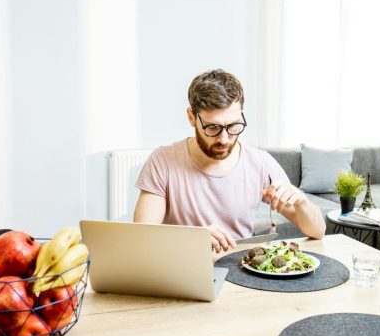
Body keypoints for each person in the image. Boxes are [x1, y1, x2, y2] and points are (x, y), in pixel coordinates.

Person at [134, 69, 326, 252]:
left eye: (234, 126)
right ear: (191, 117)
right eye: (212, 127)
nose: (224, 139)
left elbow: (318, 231)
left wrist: (302, 202)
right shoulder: (163, 161)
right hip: (182, 267)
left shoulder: (260, 163)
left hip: (241, 269)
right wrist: (190, 239)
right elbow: (141, 237)